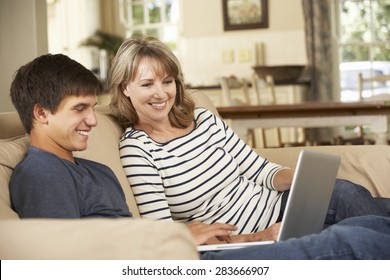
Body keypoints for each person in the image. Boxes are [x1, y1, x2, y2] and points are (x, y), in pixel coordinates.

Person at [8, 53, 390, 259]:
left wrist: (242, 237)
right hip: (190, 261)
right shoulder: (42, 173)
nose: (93, 119)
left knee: (365, 225)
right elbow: (61, 261)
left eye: (93, 107)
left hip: (197, 251)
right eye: (80, 110)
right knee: (362, 240)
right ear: (42, 113)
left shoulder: (92, 169)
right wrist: (243, 238)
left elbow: (142, 237)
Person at [109, 36, 390, 239]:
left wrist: (301, 178)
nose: (161, 93)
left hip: (285, 205)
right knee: (362, 233)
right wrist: (257, 237)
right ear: (125, 89)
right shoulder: (138, 149)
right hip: (261, 233)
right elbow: (163, 232)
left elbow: (259, 170)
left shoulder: (204, 120)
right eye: (147, 84)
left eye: (167, 81)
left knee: (348, 194)